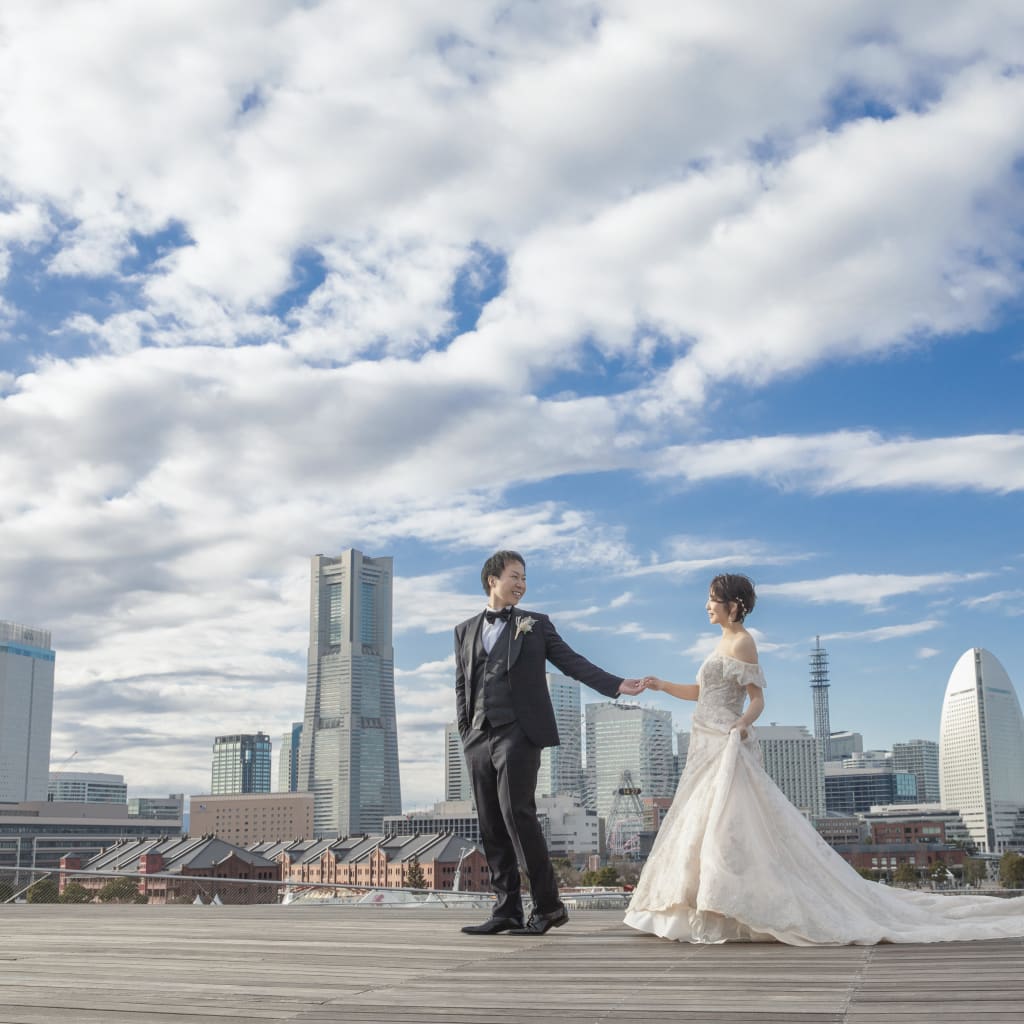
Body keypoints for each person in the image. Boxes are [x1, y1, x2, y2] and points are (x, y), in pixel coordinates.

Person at [625, 573, 1024, 946]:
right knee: (698, 820)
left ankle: (726, 907)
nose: (707, 607)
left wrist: (742, 725)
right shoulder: (719, 643)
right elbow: (701, 692)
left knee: (725, 823)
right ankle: (696, 905)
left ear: (733, 605)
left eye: (713, 601)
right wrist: (661, 685)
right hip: (703, 742)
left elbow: (757, 699)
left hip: (727, 741)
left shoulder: (743, 641)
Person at [456, 550, 644, 936]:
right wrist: (466, 732)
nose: (522, 584)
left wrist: (616, 685)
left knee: (516, 814)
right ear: (492, 580)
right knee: (490, 822)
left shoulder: (535, 625)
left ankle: (549, 907)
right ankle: (506, 909)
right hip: (479, 734)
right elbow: (463, 684)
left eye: (524, 578)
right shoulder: (465, 630)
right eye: (515, 576)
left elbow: (571, 661)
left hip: (519, 732)